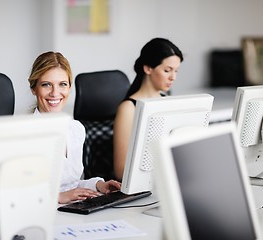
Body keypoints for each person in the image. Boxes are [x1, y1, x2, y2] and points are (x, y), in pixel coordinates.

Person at [28, 51, 121, 204]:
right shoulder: (24, 135)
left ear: (70, 87)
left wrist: (99, 185)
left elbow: (71, 184)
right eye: (46, 85)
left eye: (62, 84)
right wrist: (57, 197)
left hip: (73, 211)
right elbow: (16, 195)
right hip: (42, 212)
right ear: (33, 88)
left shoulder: (76, 129)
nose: (55, 93)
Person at [113, 38, 184, 181]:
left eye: (176, 71)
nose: (173, 77)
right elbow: (121, 171)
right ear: (148, 68)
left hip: (167, 179)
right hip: (144, 185)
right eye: (167, 70)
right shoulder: (129, 108)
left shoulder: (169, 102)